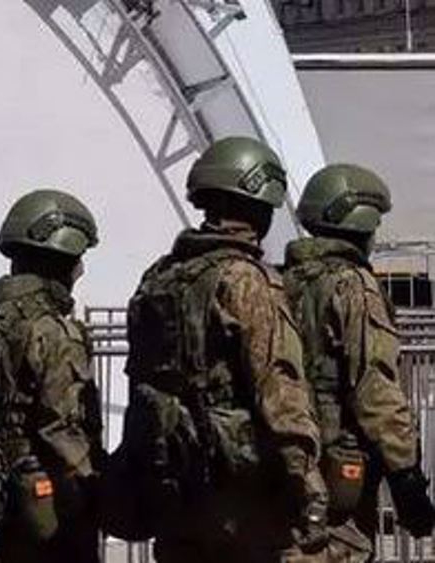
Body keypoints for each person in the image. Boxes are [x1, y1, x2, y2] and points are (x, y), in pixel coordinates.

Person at [116, 137, 329, 562]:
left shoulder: (160, 279)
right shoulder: (245, 279)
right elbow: (277, 386)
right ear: (259, 206)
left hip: (173, 478)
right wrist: (305, 477)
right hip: (239, 487)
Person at [283, 164, 435, 560]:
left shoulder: (282, 281)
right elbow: (376, 387)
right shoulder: (353, 287)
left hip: (289, 465)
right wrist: (406, 475)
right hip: (340, 473)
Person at [0, 189, 105, 563]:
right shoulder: (53, 331)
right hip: (41, 512)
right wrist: (100, 498)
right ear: (62, 257)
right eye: (77, 259)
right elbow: (65, 434)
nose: (79, 270)